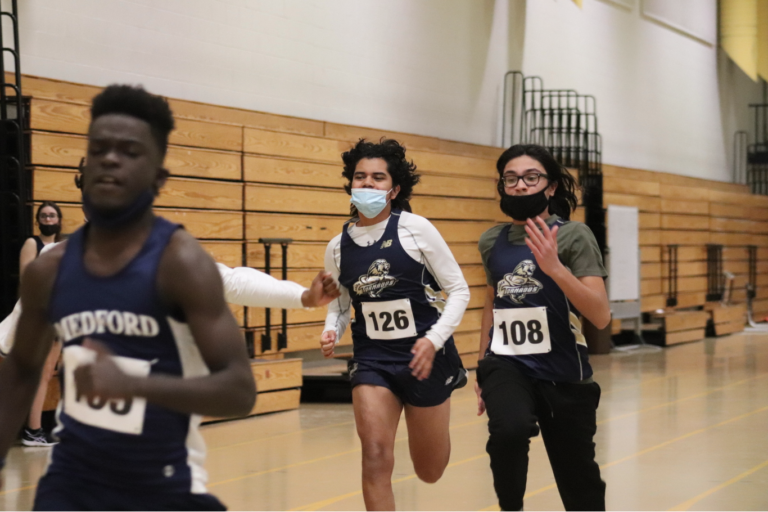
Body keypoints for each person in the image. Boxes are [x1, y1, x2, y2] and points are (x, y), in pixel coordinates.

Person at [0, 84, 257, 510]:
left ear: (158, 178)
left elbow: (239, 390)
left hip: (160, 482)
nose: (110, 159)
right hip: (71, 483)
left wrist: (135, 385)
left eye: (129, 151)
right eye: (99, 148)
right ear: (82, 172)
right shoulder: (49, 269)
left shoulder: (181, 262)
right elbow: (23, 371)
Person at [319, 139, 470, 510]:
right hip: (373, 360)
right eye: (360, 177)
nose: (367, 184)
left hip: (425, 358)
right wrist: (330, 330)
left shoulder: (416, 229)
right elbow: (340, 307)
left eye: (377, 177)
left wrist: (434, 340)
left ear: (394, 188)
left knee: (429, 470)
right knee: (374, 454)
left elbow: (459, 290)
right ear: (350, 184)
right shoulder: (338, 246)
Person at [474, 144, 610, 511]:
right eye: (511, 178)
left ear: (550, 187)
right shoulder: (492, 240)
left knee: (579, 479)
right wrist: (482, 364)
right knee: (509, 431)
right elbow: (493, 302)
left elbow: (600, 315)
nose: (520, 185)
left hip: (564, 371)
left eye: (531, 177)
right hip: (508, 364)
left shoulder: (574, 236)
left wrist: (556, 269)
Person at [16, 202, 65, 447]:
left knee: (47, 373)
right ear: (38, 221)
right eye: (43, 215)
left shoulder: (65, 247)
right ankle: (31, 430)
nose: (48, 218)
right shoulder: (31, 244)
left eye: (52, 214)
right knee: (36, 374)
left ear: (59, 219)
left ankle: (34, 430)